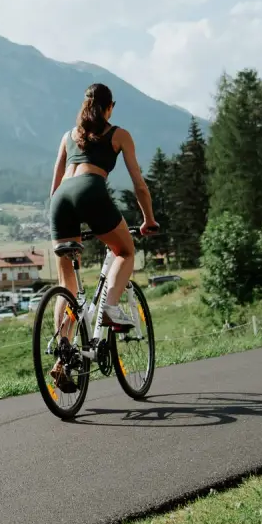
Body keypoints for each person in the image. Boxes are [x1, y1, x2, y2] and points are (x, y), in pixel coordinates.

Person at [46, 83, 158, 391]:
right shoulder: (118, 134)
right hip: (89, 192)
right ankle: (110, 307)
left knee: (66, 284)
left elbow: (54, 187)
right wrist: (149, 218)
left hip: (60, 203)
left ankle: (63, 354)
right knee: (125, 251)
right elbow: (139, 185)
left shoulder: (68, 136)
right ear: (110, 107)